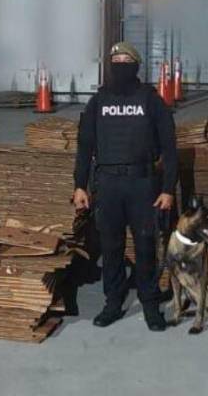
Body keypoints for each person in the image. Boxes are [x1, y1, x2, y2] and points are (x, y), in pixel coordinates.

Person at [73, 41, 177, 332]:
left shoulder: (151, 100)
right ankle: (113, 302)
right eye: (115, 60)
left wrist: (168, 189)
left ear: (136, 64)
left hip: (143, 184)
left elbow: (170, 148)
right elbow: (85, 146)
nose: (119, 64)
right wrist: (80, 185)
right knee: (111, 247)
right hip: (108, 184)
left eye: (125, 60)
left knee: (145, 246)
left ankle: (150, 304)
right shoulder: (98, 101)